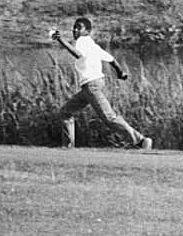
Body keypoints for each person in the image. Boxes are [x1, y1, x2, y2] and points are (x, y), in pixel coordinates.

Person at [51, 15, 153, 150]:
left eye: (79, 28)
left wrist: (60, 40)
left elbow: (77, 54)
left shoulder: (83, 41)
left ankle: (141, 141)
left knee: (109, 118)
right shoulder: (93, 45)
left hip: (92, 85)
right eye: (74, 28)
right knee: (65, 112)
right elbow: (111, 60)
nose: (75, 30)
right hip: (90, 86)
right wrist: (120, 73)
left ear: (87, 31)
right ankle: (68, 148)